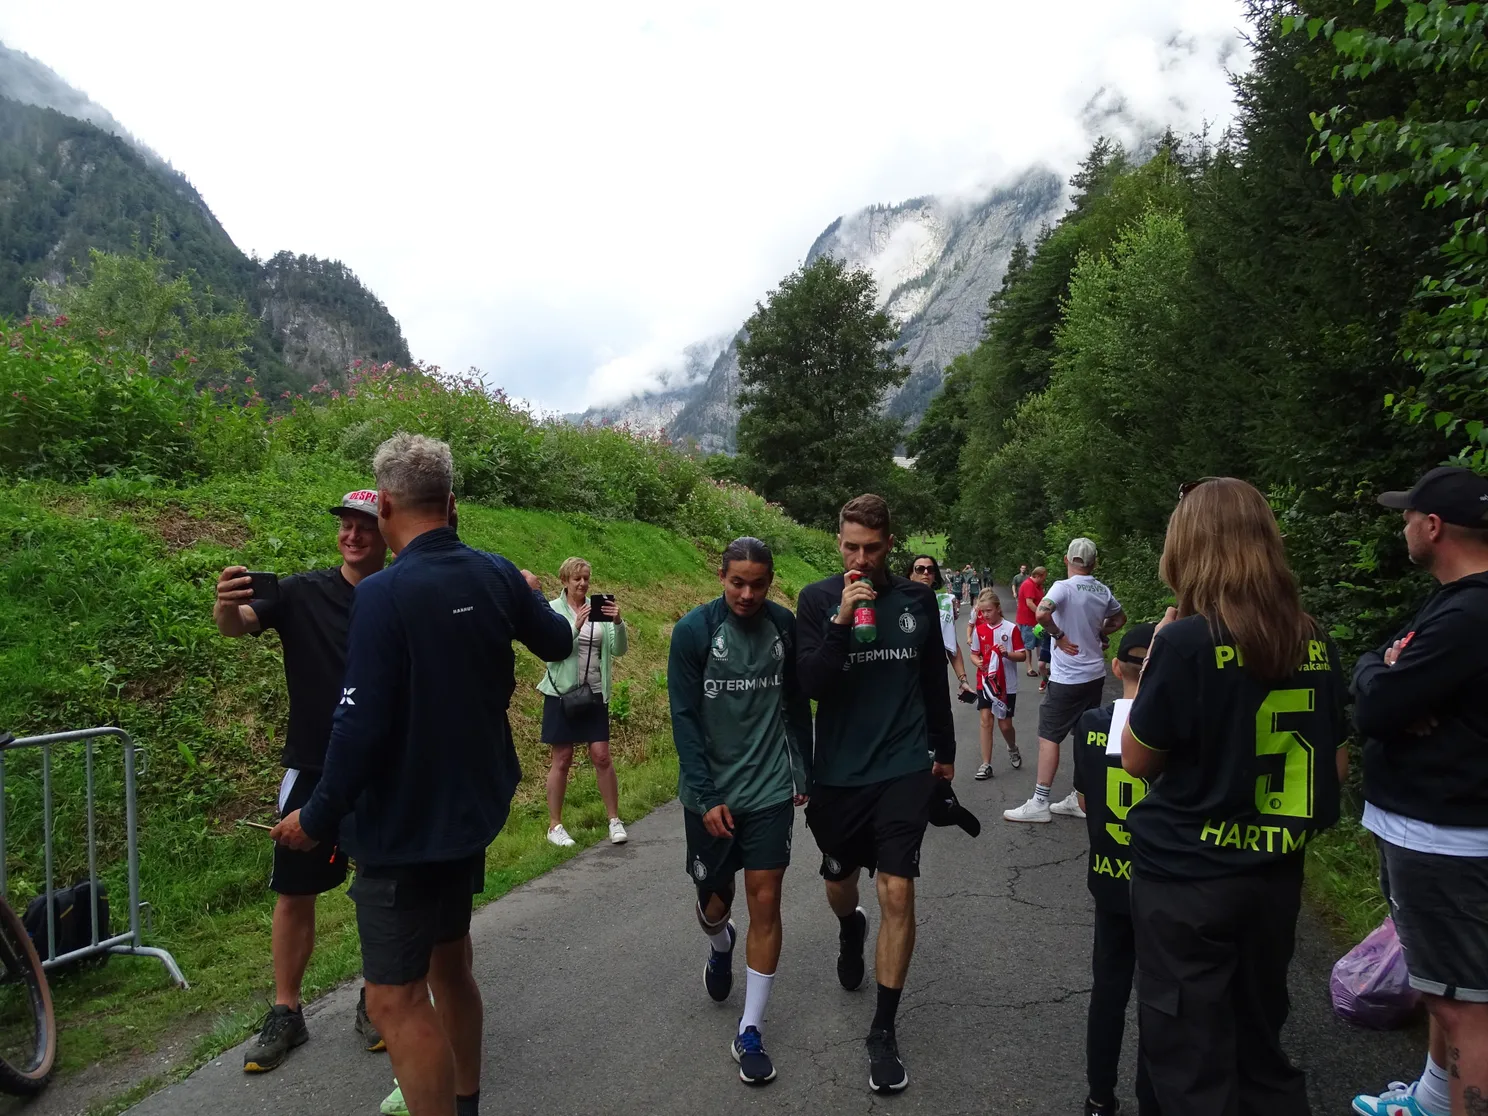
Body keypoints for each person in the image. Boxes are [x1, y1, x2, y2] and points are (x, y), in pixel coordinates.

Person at [271, 433, 575, 1116]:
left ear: (383, 508)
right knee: (451, 967)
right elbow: (558, 643)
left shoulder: (383, 594)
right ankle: (464, 1101)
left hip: (401, 829)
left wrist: (316, 817)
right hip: (469, 814)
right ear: (452, 502)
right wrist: (528, 588)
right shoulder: (494, 573)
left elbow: (357, 727)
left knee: (392, 999)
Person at [1120, 477, 1347, 1116]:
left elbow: (1137, 759)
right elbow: (1336, 763)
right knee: (1258, 1040)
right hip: (1272, 877)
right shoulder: (1313, 638)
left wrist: (1156, 660)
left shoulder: (1187, 642)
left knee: (1190, 1055)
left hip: (1187, 880)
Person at [214, 489, 389, 1072]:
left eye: (365, 526)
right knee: (294, 892)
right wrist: (224, 605)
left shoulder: (400, 596)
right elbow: (238, 626)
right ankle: (286, 1011)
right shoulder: (301, 590)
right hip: (312, 764)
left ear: (385, 530)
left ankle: (377, 997)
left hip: (385, 766)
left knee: (381, 887)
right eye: (345, 526)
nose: (353, 536)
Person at [795, 494, 955, 1094]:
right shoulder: (815, 601)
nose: (860, 558)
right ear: (838, 544)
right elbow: (810, 683)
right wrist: (841, 619)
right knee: (840, 882)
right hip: (837, 773)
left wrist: (946, 755)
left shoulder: (916, 601)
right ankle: (848, 928)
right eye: (849, 547)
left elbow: (932, 685)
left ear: (890, 544)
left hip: (902, 767)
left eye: (871, 548)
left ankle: (883, 1031)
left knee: (897, 886)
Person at [1349, 466, 1488, 1116]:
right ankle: (1433, 1102)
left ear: (1433, 526)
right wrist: (1383, 669)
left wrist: (1385, 677)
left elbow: (1377, 704)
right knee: (1446, 990)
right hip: (1436, 832)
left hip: (1448, 840)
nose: (1402, 524)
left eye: (1408, 515)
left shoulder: (1468, 615)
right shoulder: (1454, 601)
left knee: (1465, 1010)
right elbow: (1380, 666)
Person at [669, 537, 814, 1086]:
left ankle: (750, 1029)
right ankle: (719, 943)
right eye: (737, 582)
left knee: (767, 898)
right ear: (721, 575)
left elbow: (797, 704)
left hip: (770, 790)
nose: (748, 593)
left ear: (771, 580)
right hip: (710, 795)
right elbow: (684, 717)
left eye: (758, 583)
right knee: (713, 904)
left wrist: (803, 769)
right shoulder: (694, 632)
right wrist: (705, 797)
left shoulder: (784, 627)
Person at [1070, 623, 1161, 1116]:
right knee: (1158, 995)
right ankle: (1153, 1098)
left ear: (1116, 667)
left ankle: (1099, 1096)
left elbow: (1085, 798)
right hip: (1162, 880)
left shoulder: (1090, 723)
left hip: (1109, 875)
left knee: (1108, 990)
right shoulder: (1176, 725)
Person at [1005, 540, 1125, 824]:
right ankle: (1079, 797)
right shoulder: (1101, 589)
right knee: (1083, 734)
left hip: (1068, 676)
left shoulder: (1063, 586)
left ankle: (1040, 801)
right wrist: (1099, 632)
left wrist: (1058, 636)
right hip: (1094, 674)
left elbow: (1042, 613)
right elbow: (1120, 618)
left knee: (1049, 734)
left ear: (1066, 559)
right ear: (1094, 562)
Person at [537, 557, 629, 848]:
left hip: (595, 694)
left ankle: (614, 820)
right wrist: (574, 628)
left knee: (602, 755)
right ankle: (555, 825)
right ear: (564, 580)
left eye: (586, 578)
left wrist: (618, 622)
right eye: (577, 579)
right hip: (561, 694)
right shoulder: (551, 610)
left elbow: (619, 650)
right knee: (562, 759)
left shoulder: (599, 608)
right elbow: (550, 652)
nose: (582, 584)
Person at [968, 588, 1025, 779]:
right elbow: (974, 653)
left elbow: (1022, 655)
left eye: (988, 611)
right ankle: (986, 764)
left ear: (998, 609)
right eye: (982, 612)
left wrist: (1006, 653)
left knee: (1005, 725)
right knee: (986, 721)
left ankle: (1012, 747)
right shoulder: (979, 629)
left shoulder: (1011, 628)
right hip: (984, 682)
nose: (985, 615)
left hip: (1005, 684)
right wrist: (977, 662)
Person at [907, 554, 973, 701]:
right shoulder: (899, 603)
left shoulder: (943, 603)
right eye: (920, 569)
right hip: (908, 678)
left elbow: (951, 644)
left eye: (930, 570)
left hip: (935, 676)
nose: (925, 573)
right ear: (910, 575)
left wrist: (963, 680)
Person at [1016, 565, 1047, 679]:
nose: (1044, 579)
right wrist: (1040, 613)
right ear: (1038, 576)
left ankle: (1041, 666)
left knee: (1040, 643)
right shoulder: (1029, 585)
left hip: (1037, 620)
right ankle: (1029, 668)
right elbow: (1029, 603)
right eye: (1044, 577)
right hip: (1028, 619)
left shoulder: (1038, 586)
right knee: (1028, 644)